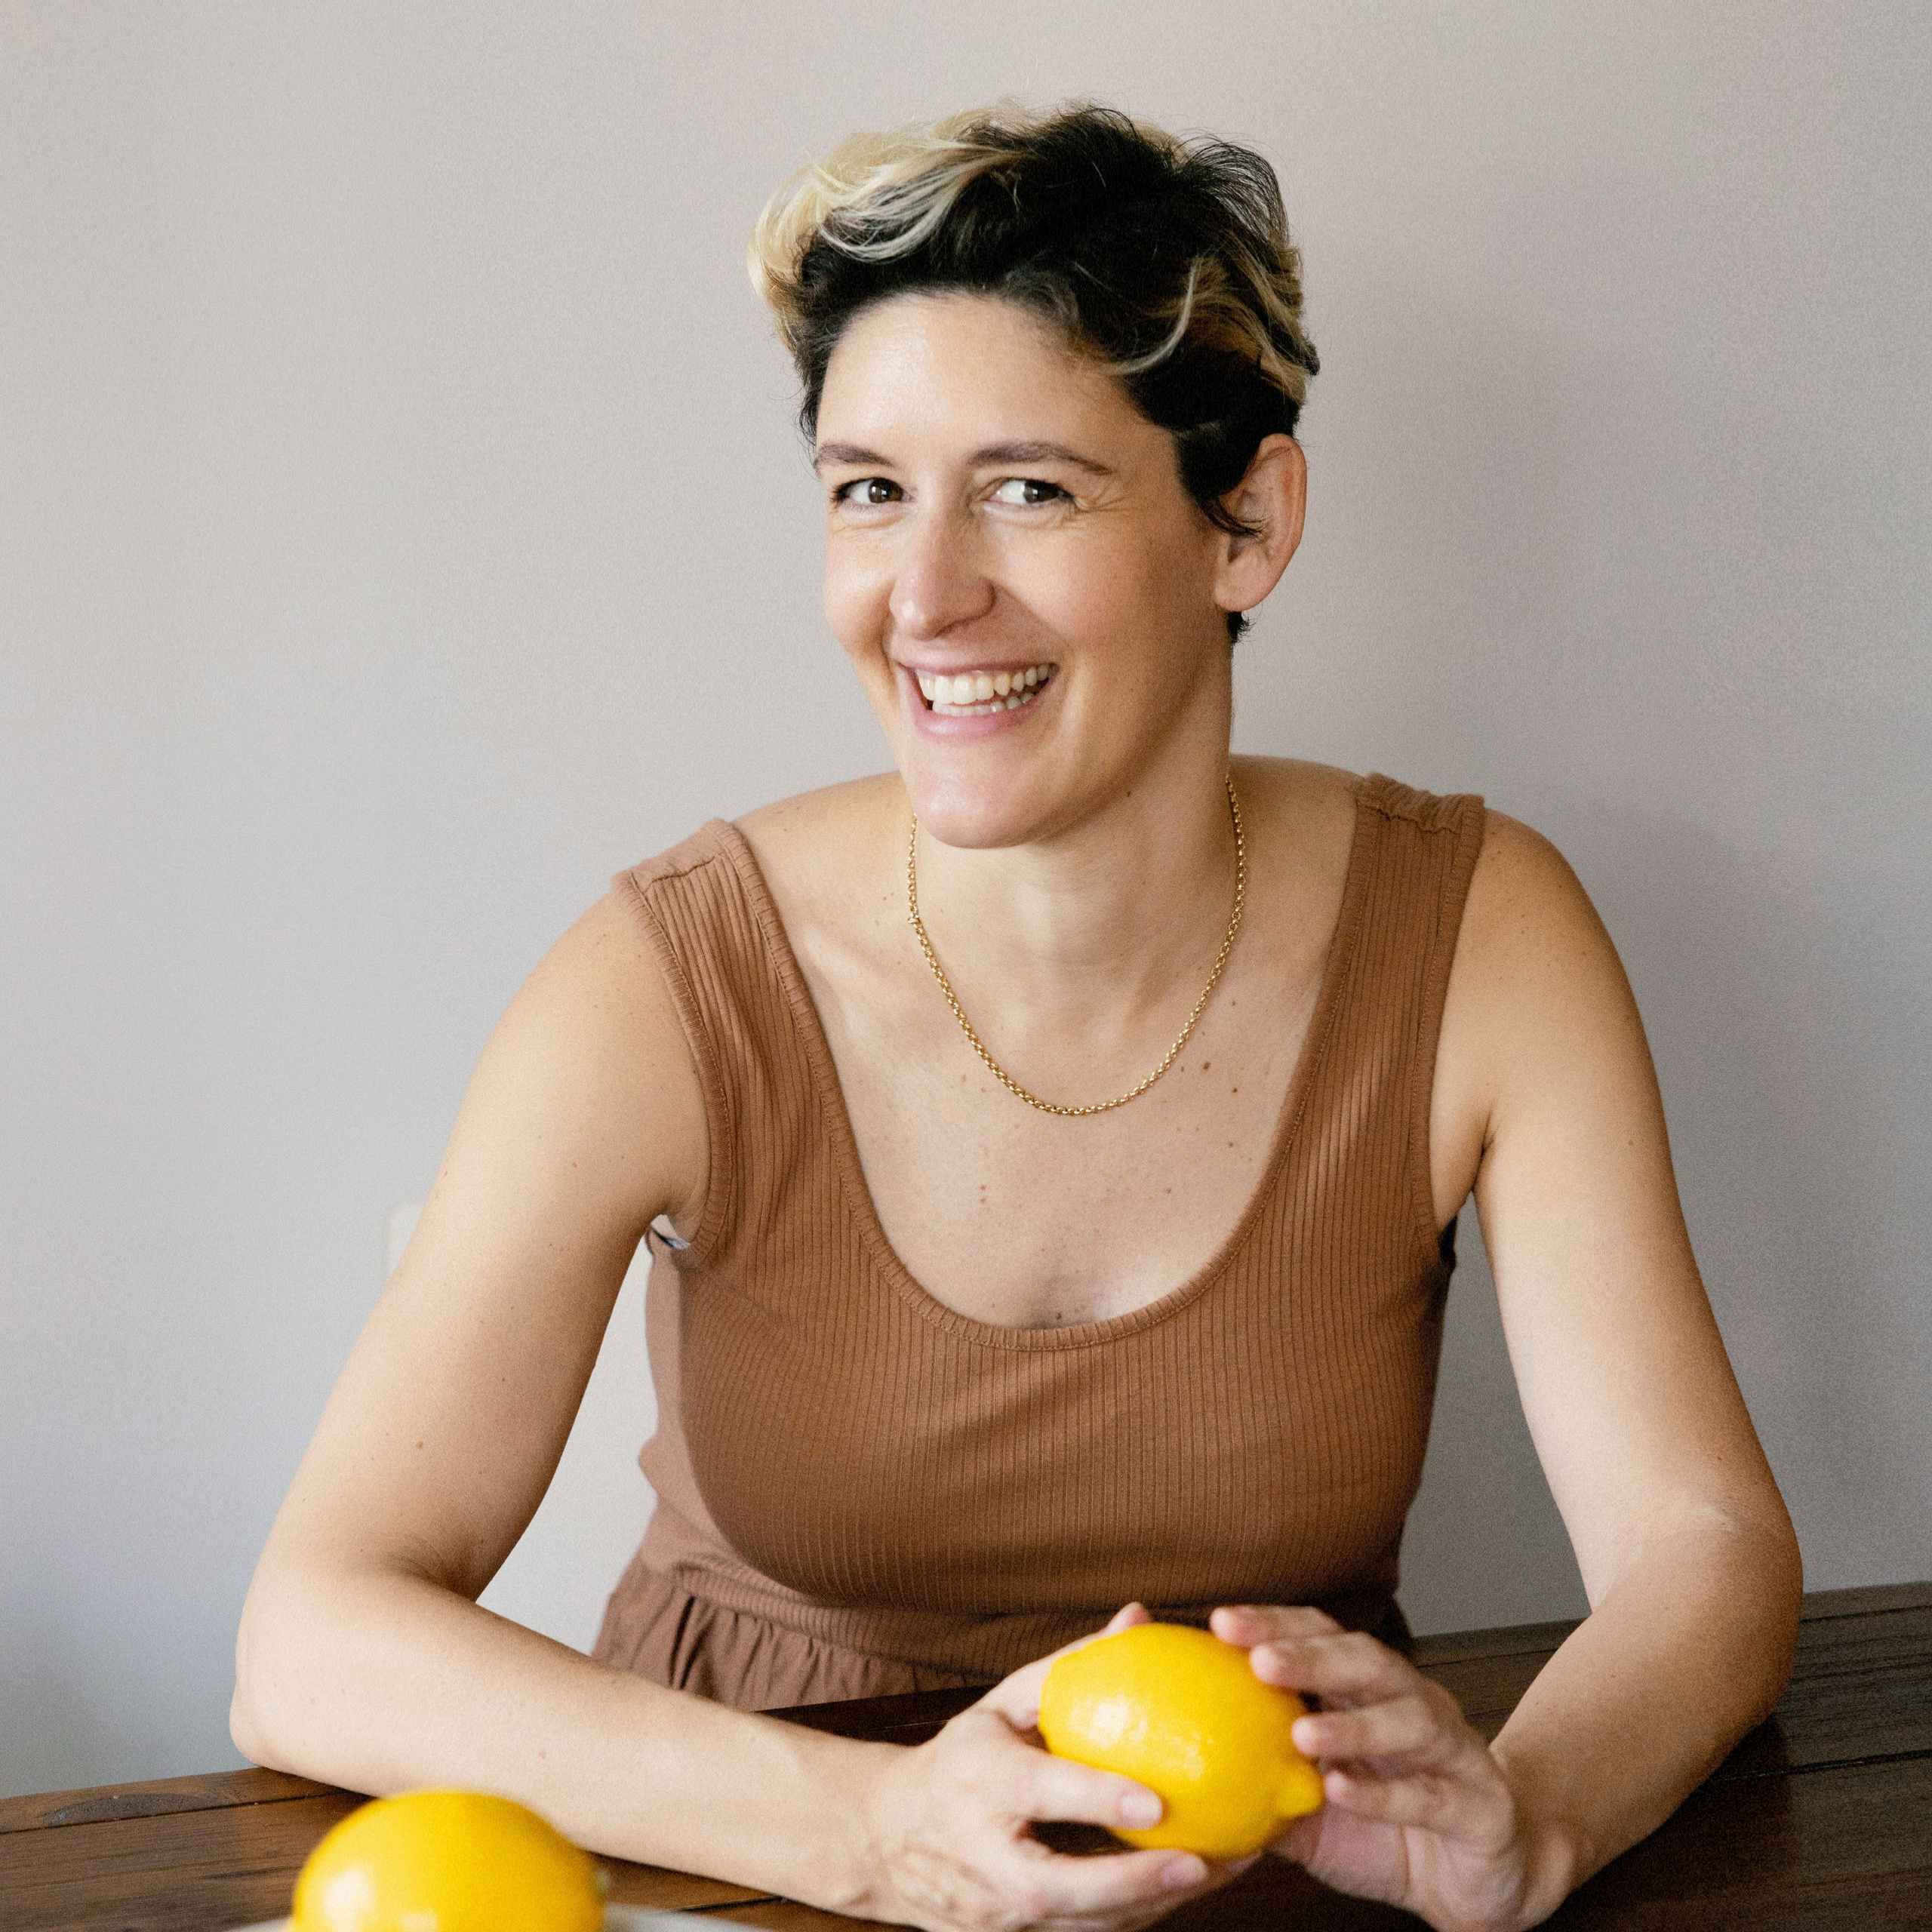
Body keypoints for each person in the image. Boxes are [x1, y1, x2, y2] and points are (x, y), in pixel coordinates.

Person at [232, 103, 1801, 1931]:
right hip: (739, 1876)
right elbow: (308, 1640)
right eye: (866, 487)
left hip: (1267, 1885)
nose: (921, 593)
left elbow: (1699, 1547)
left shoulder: (1477, 934)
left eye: (1028, 488)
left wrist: (1522, 1815)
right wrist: (871, 1830)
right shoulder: (670, 974)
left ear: (1246, 521)